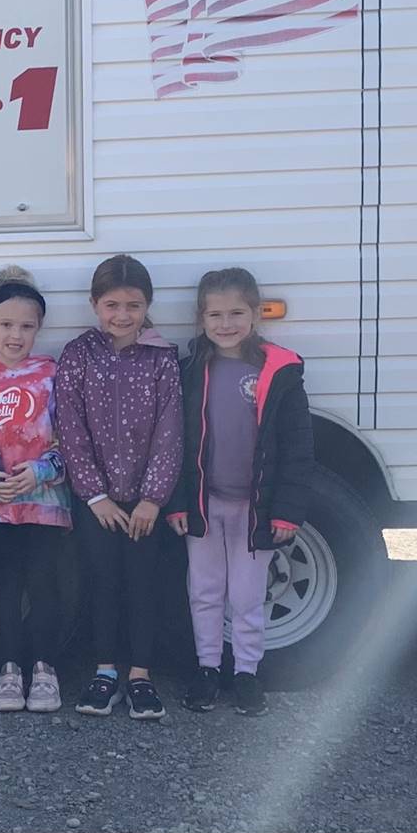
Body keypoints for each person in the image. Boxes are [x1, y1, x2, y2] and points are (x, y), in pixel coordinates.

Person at [167, 267, 314, 717]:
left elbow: (297, 447)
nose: (225, 324)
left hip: (256, 508)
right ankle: (208, 669)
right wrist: (176, 502)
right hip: (203, 504)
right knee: (205, 590)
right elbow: (173, 440)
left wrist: (287, 511)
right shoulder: (191, 368)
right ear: (201, 318)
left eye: (236, 313)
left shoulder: (279, 372)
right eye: (215, 314)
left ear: (255, 314)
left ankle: (247, 673)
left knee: (247, 596)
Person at [54, 254, 183, 721]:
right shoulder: (78, 354)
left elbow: (170, 429)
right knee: (102, 582)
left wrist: (153, 498)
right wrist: (94, 494)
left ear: (148, 304)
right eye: (112, 304)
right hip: (98, 501)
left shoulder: (162, 358)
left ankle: (141, 676)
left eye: (133, 304)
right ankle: (105, 670)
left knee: (143, 584)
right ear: (94, 304)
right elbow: (70, 426)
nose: (123, 315)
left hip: (145, 500)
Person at [0, 266, 71, 715]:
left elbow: (73, 440)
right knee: (5, 585)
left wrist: (45, 470)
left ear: (39, 329)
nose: (16, 335)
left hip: (46, 503)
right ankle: (9, 669)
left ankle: (44, 670)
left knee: (44, 585)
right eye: (6, 325)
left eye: (27, 326)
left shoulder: (52, 375)